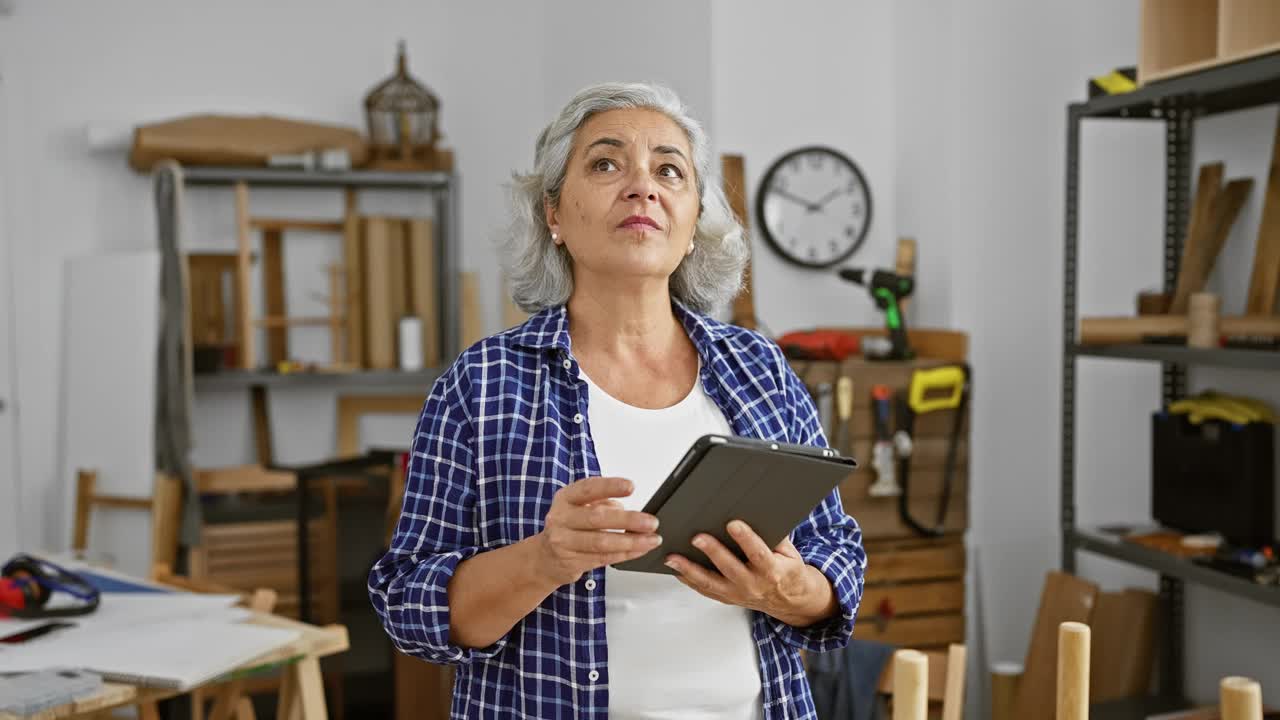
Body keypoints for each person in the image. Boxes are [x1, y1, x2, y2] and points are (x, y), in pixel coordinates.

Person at [369, 81, 866, 720]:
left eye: (669, 170)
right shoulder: (484, 383)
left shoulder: (759, 367)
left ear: (692, 224)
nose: (643, 186)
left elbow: (837, 555)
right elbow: (409, 605)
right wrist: (543, 560)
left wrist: (787, 588)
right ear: (553, 214)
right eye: (606, 163)